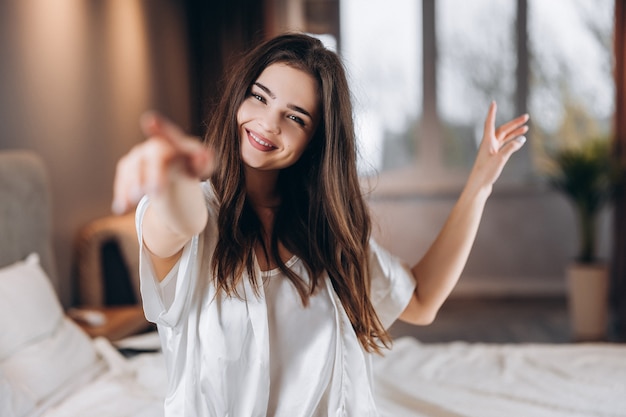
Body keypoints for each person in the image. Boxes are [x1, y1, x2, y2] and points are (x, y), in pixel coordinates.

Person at [111, 32, 529, 417]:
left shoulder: (323, 229)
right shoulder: (196, 217)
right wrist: (173, 178)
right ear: (239, 98)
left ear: (316, 141)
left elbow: (421, 301)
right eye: (259, 98)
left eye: (295, 117)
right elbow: (181, 221)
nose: (269, 123)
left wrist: (479, 185)